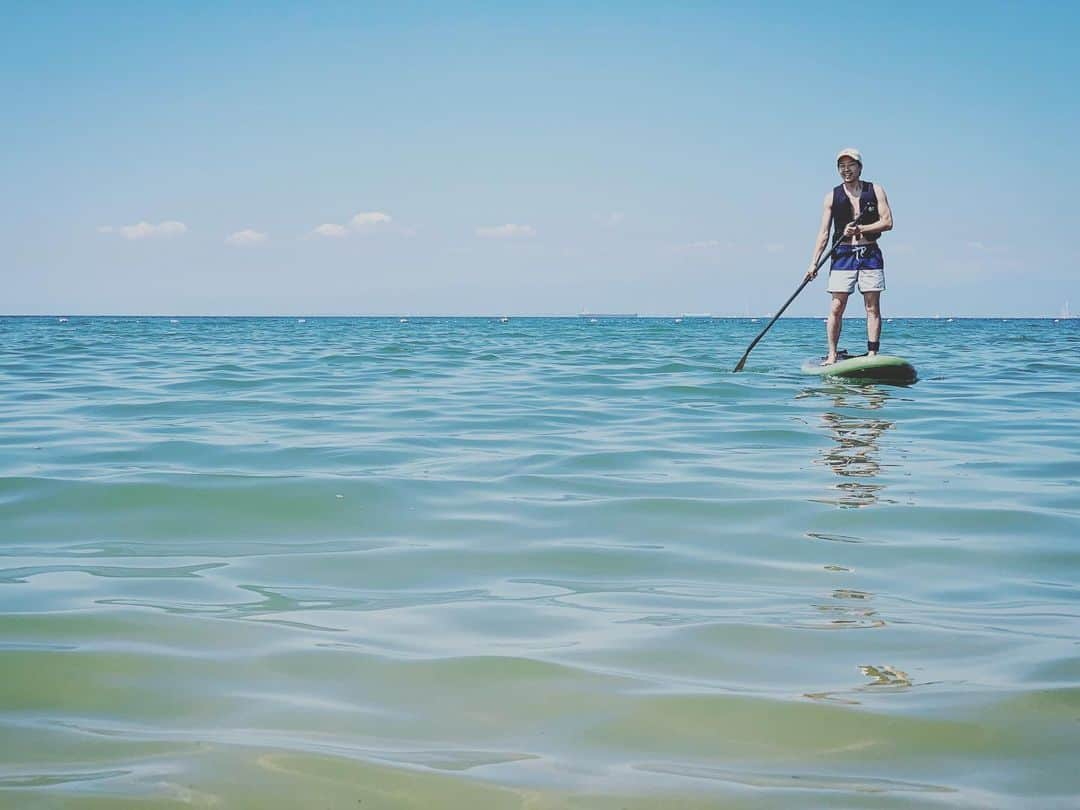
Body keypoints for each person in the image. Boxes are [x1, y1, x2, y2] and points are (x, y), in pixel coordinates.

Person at [804, 148, 893, 365]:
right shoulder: (831, 196)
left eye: (850, 165)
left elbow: (887, 222)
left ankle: (872, 353)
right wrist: (813, 263)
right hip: (842, 254)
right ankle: (832, 354)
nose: (846, 170)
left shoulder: (876, 190)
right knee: (837, 306)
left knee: (872, 305)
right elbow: (823, 233)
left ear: (859, 167)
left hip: (869, 252)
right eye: (842, 166)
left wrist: (861, 229)